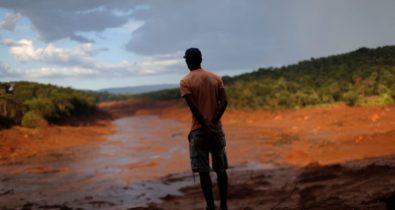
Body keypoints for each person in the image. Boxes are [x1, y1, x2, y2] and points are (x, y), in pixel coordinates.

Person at [179, 48, 229, 210]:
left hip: (199, 131)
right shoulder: (216, 78)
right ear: (201, 59)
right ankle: (223, 205)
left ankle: (210, 206)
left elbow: (193, 107)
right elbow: (224, 102)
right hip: (216, 130)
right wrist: (213, 123)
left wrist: (205, 125)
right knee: (221, 169)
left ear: (187, 61)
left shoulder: (185, 81)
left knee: (203, 171)